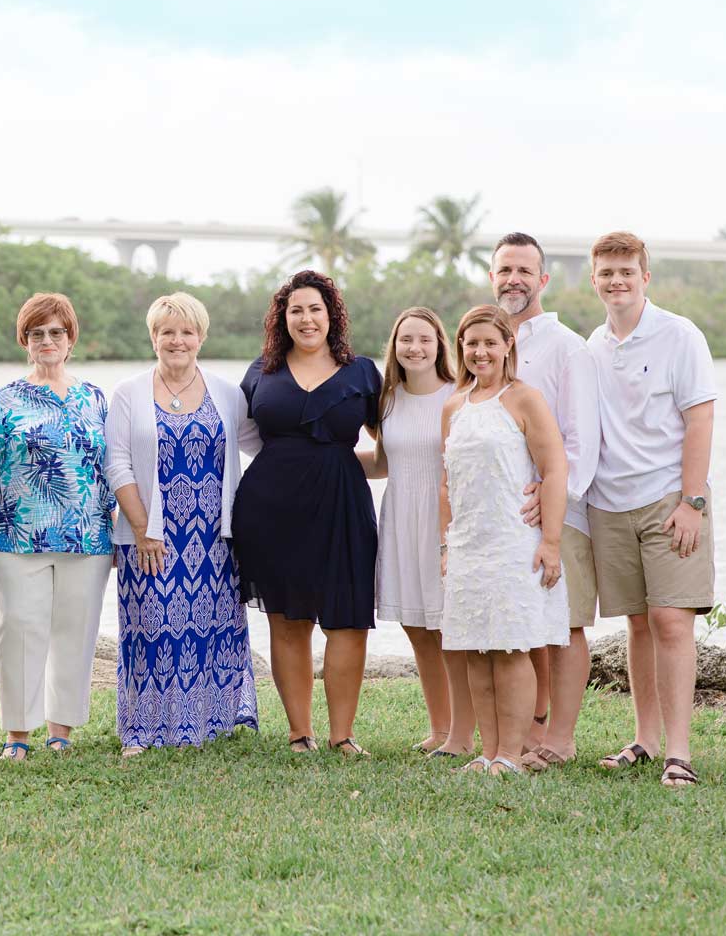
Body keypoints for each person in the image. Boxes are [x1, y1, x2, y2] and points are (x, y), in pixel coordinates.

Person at [232, 270, 382, 755]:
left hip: (342, 505)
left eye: (315, 308)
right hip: (272, 507)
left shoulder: (362, 372)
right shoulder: (261, 372)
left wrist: (340, 464)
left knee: (348, 620)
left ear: (331, 314)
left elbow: (391, 446)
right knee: (288, 619)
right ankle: (301, 733)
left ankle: (343, 736)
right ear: (283, 317)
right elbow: (240, 436)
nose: (306, 318)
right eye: (295, 309)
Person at [586, 232, 716, 787]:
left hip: (669, 499)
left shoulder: (679, 335)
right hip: (609, 502)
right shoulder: (593, 343)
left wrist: (693, 501)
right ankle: (644, 740)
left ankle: (679, 754)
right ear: (594, 280)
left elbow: (701, 418)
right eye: (607, 272)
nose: (617, 280)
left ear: (646, 277)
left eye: (627, 271)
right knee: (637, 623)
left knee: (671, 620)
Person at [106, 293, 260, 755]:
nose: (177, 340)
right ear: (153, 337)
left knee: (207, 626)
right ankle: (142, 729)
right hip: (148, 531)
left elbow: (263, 446)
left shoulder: (228, 393)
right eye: (167, 332)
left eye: (187, 331)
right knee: (149, 626)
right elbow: (116, 464)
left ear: (202, 336)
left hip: (213, 536)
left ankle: (207, 721)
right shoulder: (128, 392)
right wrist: (141, 528)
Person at [0, 293, 114, 760]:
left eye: (56, 333)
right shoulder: (4, 400)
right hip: (15, 538)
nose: (47, 341)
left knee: (76, 633)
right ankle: (18, 736)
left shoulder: (94, 398)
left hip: (88, 539)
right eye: (36, 334)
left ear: (70, 340)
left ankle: (61, 732)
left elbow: (110, 470)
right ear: (25, 342)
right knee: (19, 633)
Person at [439, 306, 568, 776]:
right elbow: (446, 485)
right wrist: (445, 546)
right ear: (461, 348)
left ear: (507, 345)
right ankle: (488, 750)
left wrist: (550, 541)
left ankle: (511, 756)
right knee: (477, 649)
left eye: (490, 342)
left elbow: (554, 471)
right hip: (468, 543)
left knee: (511, 648)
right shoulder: (453, 406)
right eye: (471, 343)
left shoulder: (524, 399)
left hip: (514, 541)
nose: (480, 351)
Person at [489, 233, 602, 770]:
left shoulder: (566, 347)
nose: (514, 279)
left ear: (543, 279)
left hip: (557, 508)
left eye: (524, 270)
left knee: (566, 622)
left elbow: (582, 439)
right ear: (493, 277)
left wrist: (553, 496)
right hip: (502, 510)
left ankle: (561, 736)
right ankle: (532, 728)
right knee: (525, 619)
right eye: (505, 269)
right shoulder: (489, 341)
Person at [361, 308, 465, 757]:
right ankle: (439, 728)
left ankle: (462, 732)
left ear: (440, 344)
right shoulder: (387, 400)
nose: (415, 348)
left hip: (445, 519)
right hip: (401, 514)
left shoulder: (459, 395)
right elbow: (384, 464)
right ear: (394, 345)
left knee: (449, 628)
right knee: (417, 626)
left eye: (425, 339)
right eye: (406, 339)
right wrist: (325, 459)